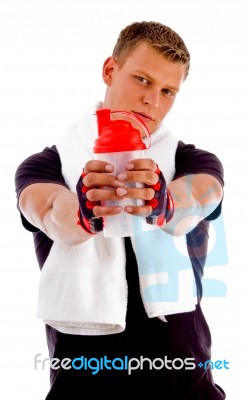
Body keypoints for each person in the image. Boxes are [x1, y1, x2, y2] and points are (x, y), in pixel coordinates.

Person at [15, 21, 226, 399]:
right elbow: (48, 209)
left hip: (184, 381)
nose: (153, 101)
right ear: (110, 70)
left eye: (168, 91)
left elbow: (202, 194)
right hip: (82, 382)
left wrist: (167, 203)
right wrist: (83, 212)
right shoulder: (45, 165)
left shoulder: (194, 161)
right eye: (142, 80)